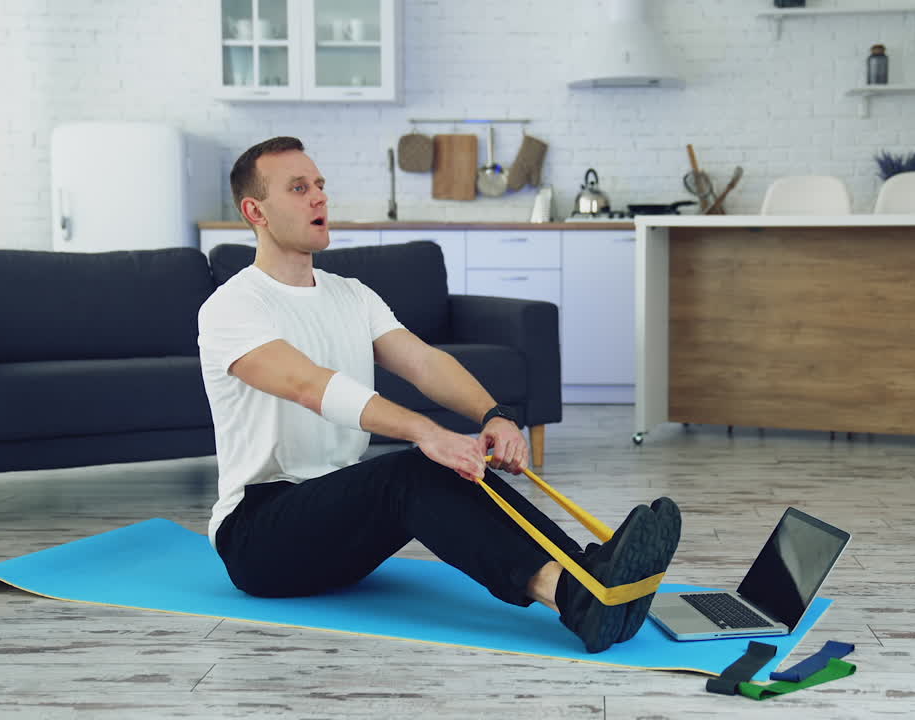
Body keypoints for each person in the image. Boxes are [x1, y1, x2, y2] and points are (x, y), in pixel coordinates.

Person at [197, 136, 681, 654]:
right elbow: (307, 384)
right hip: (258, 536)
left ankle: (589, 576)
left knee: (446, 465)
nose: (319, 196)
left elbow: (424, 363)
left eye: (319, 184)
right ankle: (573, 596)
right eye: (298, 188)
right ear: (255, 211)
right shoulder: (233, 306)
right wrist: (428, 433)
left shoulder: (351, 295)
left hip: (335, 521)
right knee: (416, 466)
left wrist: (494, 415)